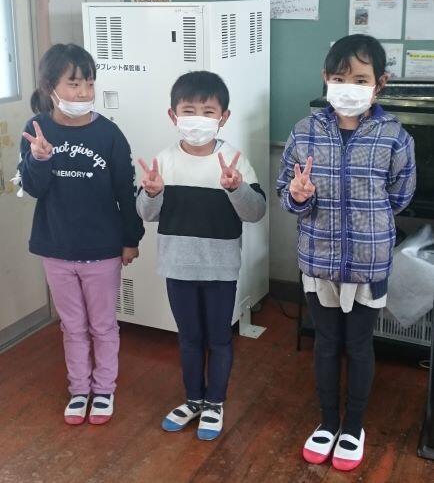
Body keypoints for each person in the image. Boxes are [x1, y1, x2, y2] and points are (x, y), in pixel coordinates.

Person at [277, 35, 416, 471]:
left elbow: (400, 196)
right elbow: (286, 193)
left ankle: (353, 426)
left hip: (368, 263)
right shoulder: (304, 131)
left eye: (360, 79)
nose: (348, 87)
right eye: (339, 78)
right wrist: (298, 195)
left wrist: (368, 221)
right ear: (325, 79)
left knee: (358, 346)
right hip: (318, 260)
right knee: (325, 345)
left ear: (380, 83)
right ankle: (327, 422)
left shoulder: (394, 136)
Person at [18, 43, 145, 426]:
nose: (84, 92)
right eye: (74, 84)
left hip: (102, 250)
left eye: (89, 83)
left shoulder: (108, 133)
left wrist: (131, 239)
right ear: (50, 86)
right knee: (72, 326)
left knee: (103, 326)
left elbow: (125, 191)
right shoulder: (36, 130)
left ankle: (104, 389)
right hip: (56, 248)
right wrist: (40, 158)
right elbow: (34, 189)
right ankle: (79, 390)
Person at [136, 71, 266, 441]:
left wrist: (236, 188)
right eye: (188, 110)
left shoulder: (234, 160)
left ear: (223, 117)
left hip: (220, 268)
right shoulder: (164, 161)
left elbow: (255, 212)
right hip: (177, 266)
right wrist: (152, 193)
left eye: (208, 111)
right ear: (173, 115)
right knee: (189, 337)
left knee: (219, 339)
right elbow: (145, 213)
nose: (198, 119)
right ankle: (193, 399)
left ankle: (215, 403)